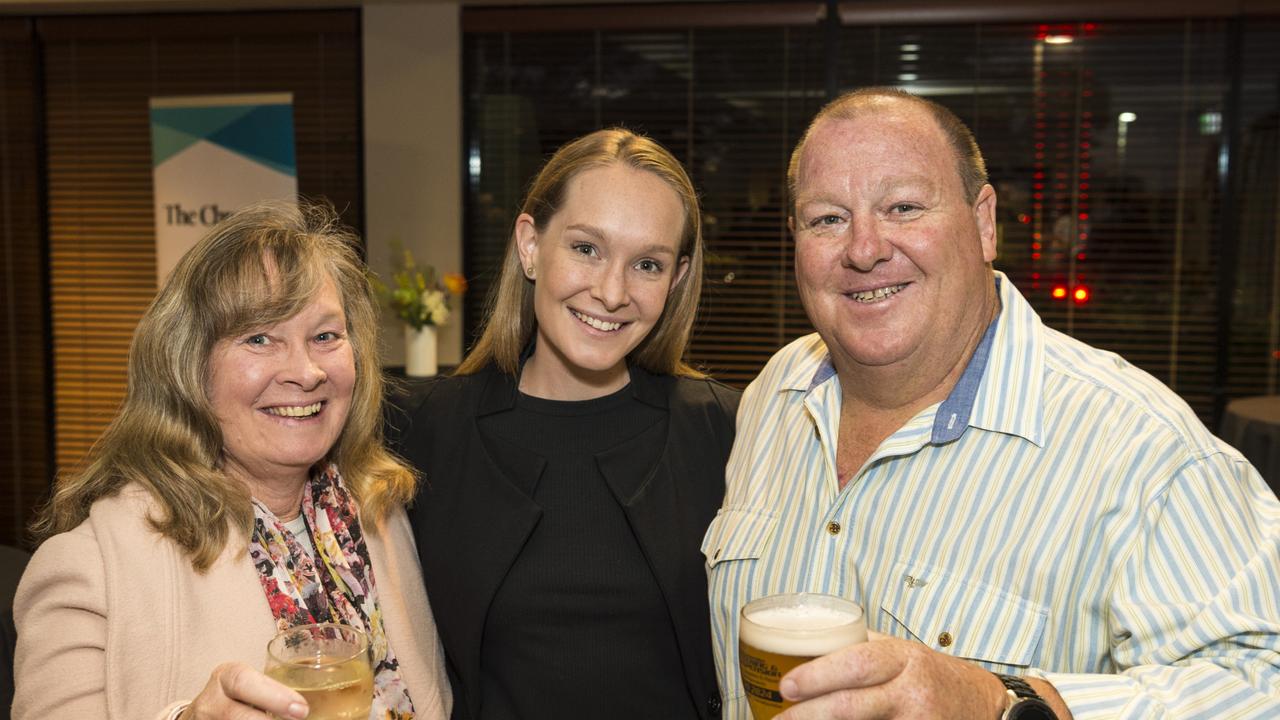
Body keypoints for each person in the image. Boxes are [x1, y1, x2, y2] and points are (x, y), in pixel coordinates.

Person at [704, 87, 1280, 720]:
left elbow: (1262, 683)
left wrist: (1004, 706)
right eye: (827, 219)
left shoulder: (1142, 448)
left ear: (983, 222)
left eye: (902, 206)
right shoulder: (775, 393)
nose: (864, 249)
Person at [14, 201, 452, 719]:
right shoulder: (95, 567)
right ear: (188, 367)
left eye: (325, 336)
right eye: (259, 338)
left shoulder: (378, 516)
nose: (306, 371)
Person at [389, 128, 739, 720]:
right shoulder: (421, 431)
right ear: (530, 245)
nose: (611, 292)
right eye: (586, 248)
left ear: (676, 279)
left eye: (647, 264)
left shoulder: (726, 432)